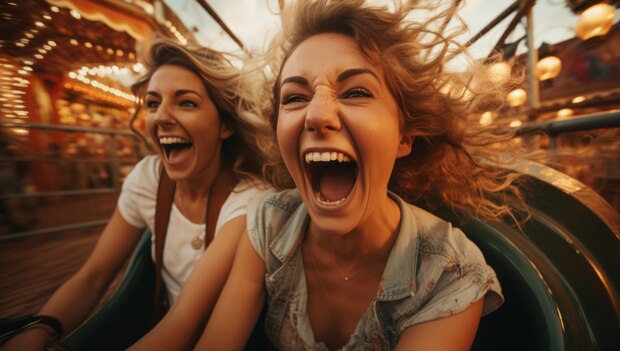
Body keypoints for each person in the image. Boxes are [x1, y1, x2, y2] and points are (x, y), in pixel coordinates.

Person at [191, 0, 531, 350]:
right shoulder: (269, 224)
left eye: (356, 92)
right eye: (294, 98)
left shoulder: (448, 273)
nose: (316, 115)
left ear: (404, 136)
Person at [1, 37, 286, 350]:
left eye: (186, 102)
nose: (161, 117)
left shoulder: (252, 201)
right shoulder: (148, 179)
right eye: (153, 103)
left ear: (225, 126)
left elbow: (184, 323)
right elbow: (93, 276)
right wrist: (43, 327)